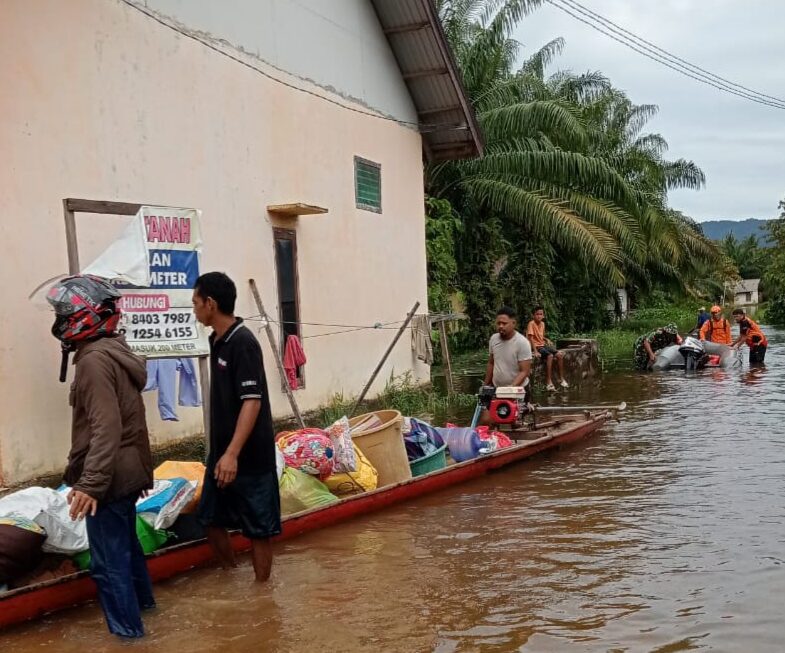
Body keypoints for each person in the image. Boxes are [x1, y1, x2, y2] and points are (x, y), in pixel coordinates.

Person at [46, 275, 155, 639]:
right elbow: (132, 421)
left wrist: (90, 484)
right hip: (127, 472)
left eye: (64, 312)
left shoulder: (93, 361)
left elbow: (105, 429)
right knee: (127, 549)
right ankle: (147, 618)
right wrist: (141, 472)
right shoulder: (115, 351)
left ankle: (129, 638)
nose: (60, 319)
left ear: (84, 315)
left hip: (108, 478)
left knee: (108, 565)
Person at [192, 272, 281, 582]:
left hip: (249, 456)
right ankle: (230, 577)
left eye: (196, 302)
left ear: (211, 304)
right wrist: (222, 454)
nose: (194, 309)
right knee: (210, 518)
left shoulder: (243, 342)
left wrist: (232, 454)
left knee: (259, 529)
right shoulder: (216, 341)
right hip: (221, 453)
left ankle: (262, 592)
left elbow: (252, 401)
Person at [482, 307, 532, 424]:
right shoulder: (494, 339)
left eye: (504, 323)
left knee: (513, 421)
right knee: (486, 420)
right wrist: (485, 385)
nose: (500, 326)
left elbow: (524, 371)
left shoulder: (522, 342)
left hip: (518, 389)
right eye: (498, 323)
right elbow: (491, 362)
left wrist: (510, 389)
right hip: (496, 387)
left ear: (513, 323)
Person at [526, 306, 569, 392]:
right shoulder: (531, 323)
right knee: (550, 356)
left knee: (559, 355)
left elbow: (541, 336)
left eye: (541, 314)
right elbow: (530, 338)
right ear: (533, 315)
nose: (539, 316)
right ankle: (548, 381)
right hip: (536, 346)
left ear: (543, 316)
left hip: (542, 345)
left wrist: (546, 339)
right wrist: (535, 351)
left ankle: (561, 378)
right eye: (537, 314)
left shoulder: (542, 324)